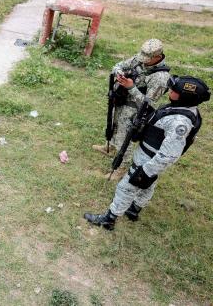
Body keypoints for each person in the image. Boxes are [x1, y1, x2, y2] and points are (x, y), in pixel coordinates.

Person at [84, 76, 209, 231]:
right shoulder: (184, 109)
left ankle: (109, 219)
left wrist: (146, 170)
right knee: (148, 184)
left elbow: (170, 154)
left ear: (186, 97)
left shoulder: (179, 122)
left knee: (127, 187)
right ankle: (134, 209)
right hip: (150, 157)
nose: (170, 91)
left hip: (149, 159)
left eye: (174, 90)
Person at [93, 39, 171, 156]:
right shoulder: (139, 60)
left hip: (134, 110)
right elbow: (118, 66)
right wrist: (119, 73)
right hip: (121, 100)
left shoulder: (160, 77)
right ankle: (110, 147)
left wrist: (131, 88)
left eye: (147, 58)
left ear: (158, 57)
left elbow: (149, 104)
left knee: (124, 137)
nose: (143, 61)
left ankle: (121, 167)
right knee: (114, 125)